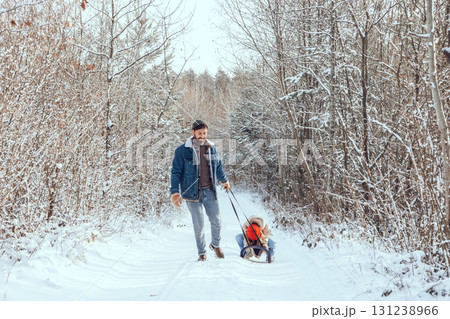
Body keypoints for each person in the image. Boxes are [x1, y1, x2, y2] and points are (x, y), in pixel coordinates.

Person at [170, 120, 231, 261]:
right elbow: (176, 172)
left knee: (216, 221)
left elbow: (218, 167)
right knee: (199, 225)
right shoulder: (182, 151)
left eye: (204, 133)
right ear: (193, 133)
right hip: (192, 194)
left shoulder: (212, 148)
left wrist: (224, 181)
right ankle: (202, 252)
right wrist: (175, 192)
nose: (202, 136)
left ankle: (215, 245)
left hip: (209, 191)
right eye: (199, 133)